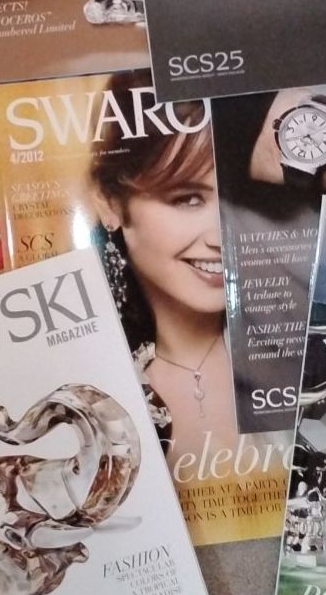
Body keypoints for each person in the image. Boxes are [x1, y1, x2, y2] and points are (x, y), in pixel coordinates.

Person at [87, 73, 237, 457]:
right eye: (188, 199)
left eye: (241, 199)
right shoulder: (92, 385)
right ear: (110, 202)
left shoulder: (306, 359)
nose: (222, 237)